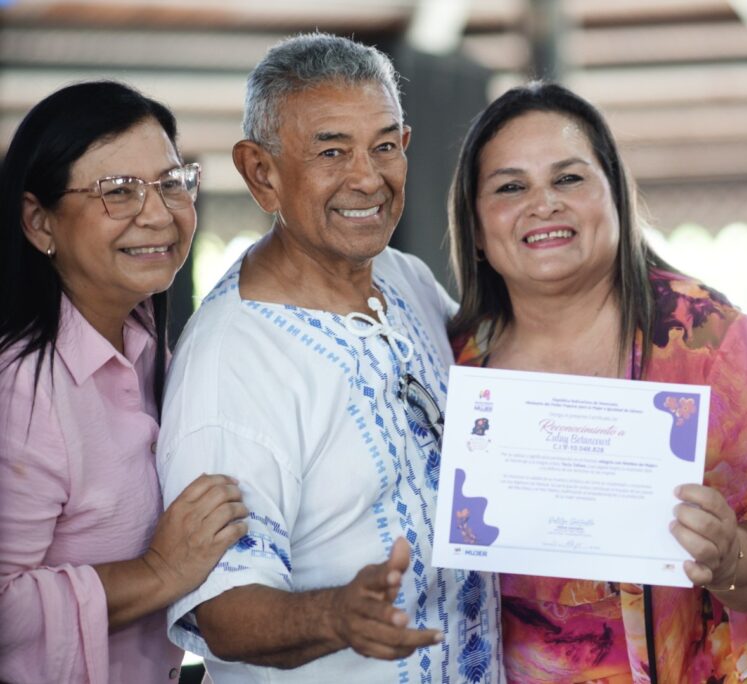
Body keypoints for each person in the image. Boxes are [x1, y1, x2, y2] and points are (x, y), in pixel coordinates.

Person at [155, 33, 502, 683]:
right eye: (332, 151)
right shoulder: (233, 359)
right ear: (262, 173)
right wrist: (336, 617)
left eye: (384, 146)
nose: (367, 177)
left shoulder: (405, 279)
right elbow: (222, 611)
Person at [448, 82, 747, 683]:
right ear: (479, 230)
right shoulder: (456, 366)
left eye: (569, 178)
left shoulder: (713, 343)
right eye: (511, 187)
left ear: (615, 194)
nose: (543, 204)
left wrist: (729, 555)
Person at [0, 81, 247, 683]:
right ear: (39, 221)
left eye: (170, 183)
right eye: (118, 191)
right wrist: (162, 572)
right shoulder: (21, 388)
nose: (159, 213)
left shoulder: (142, 343)